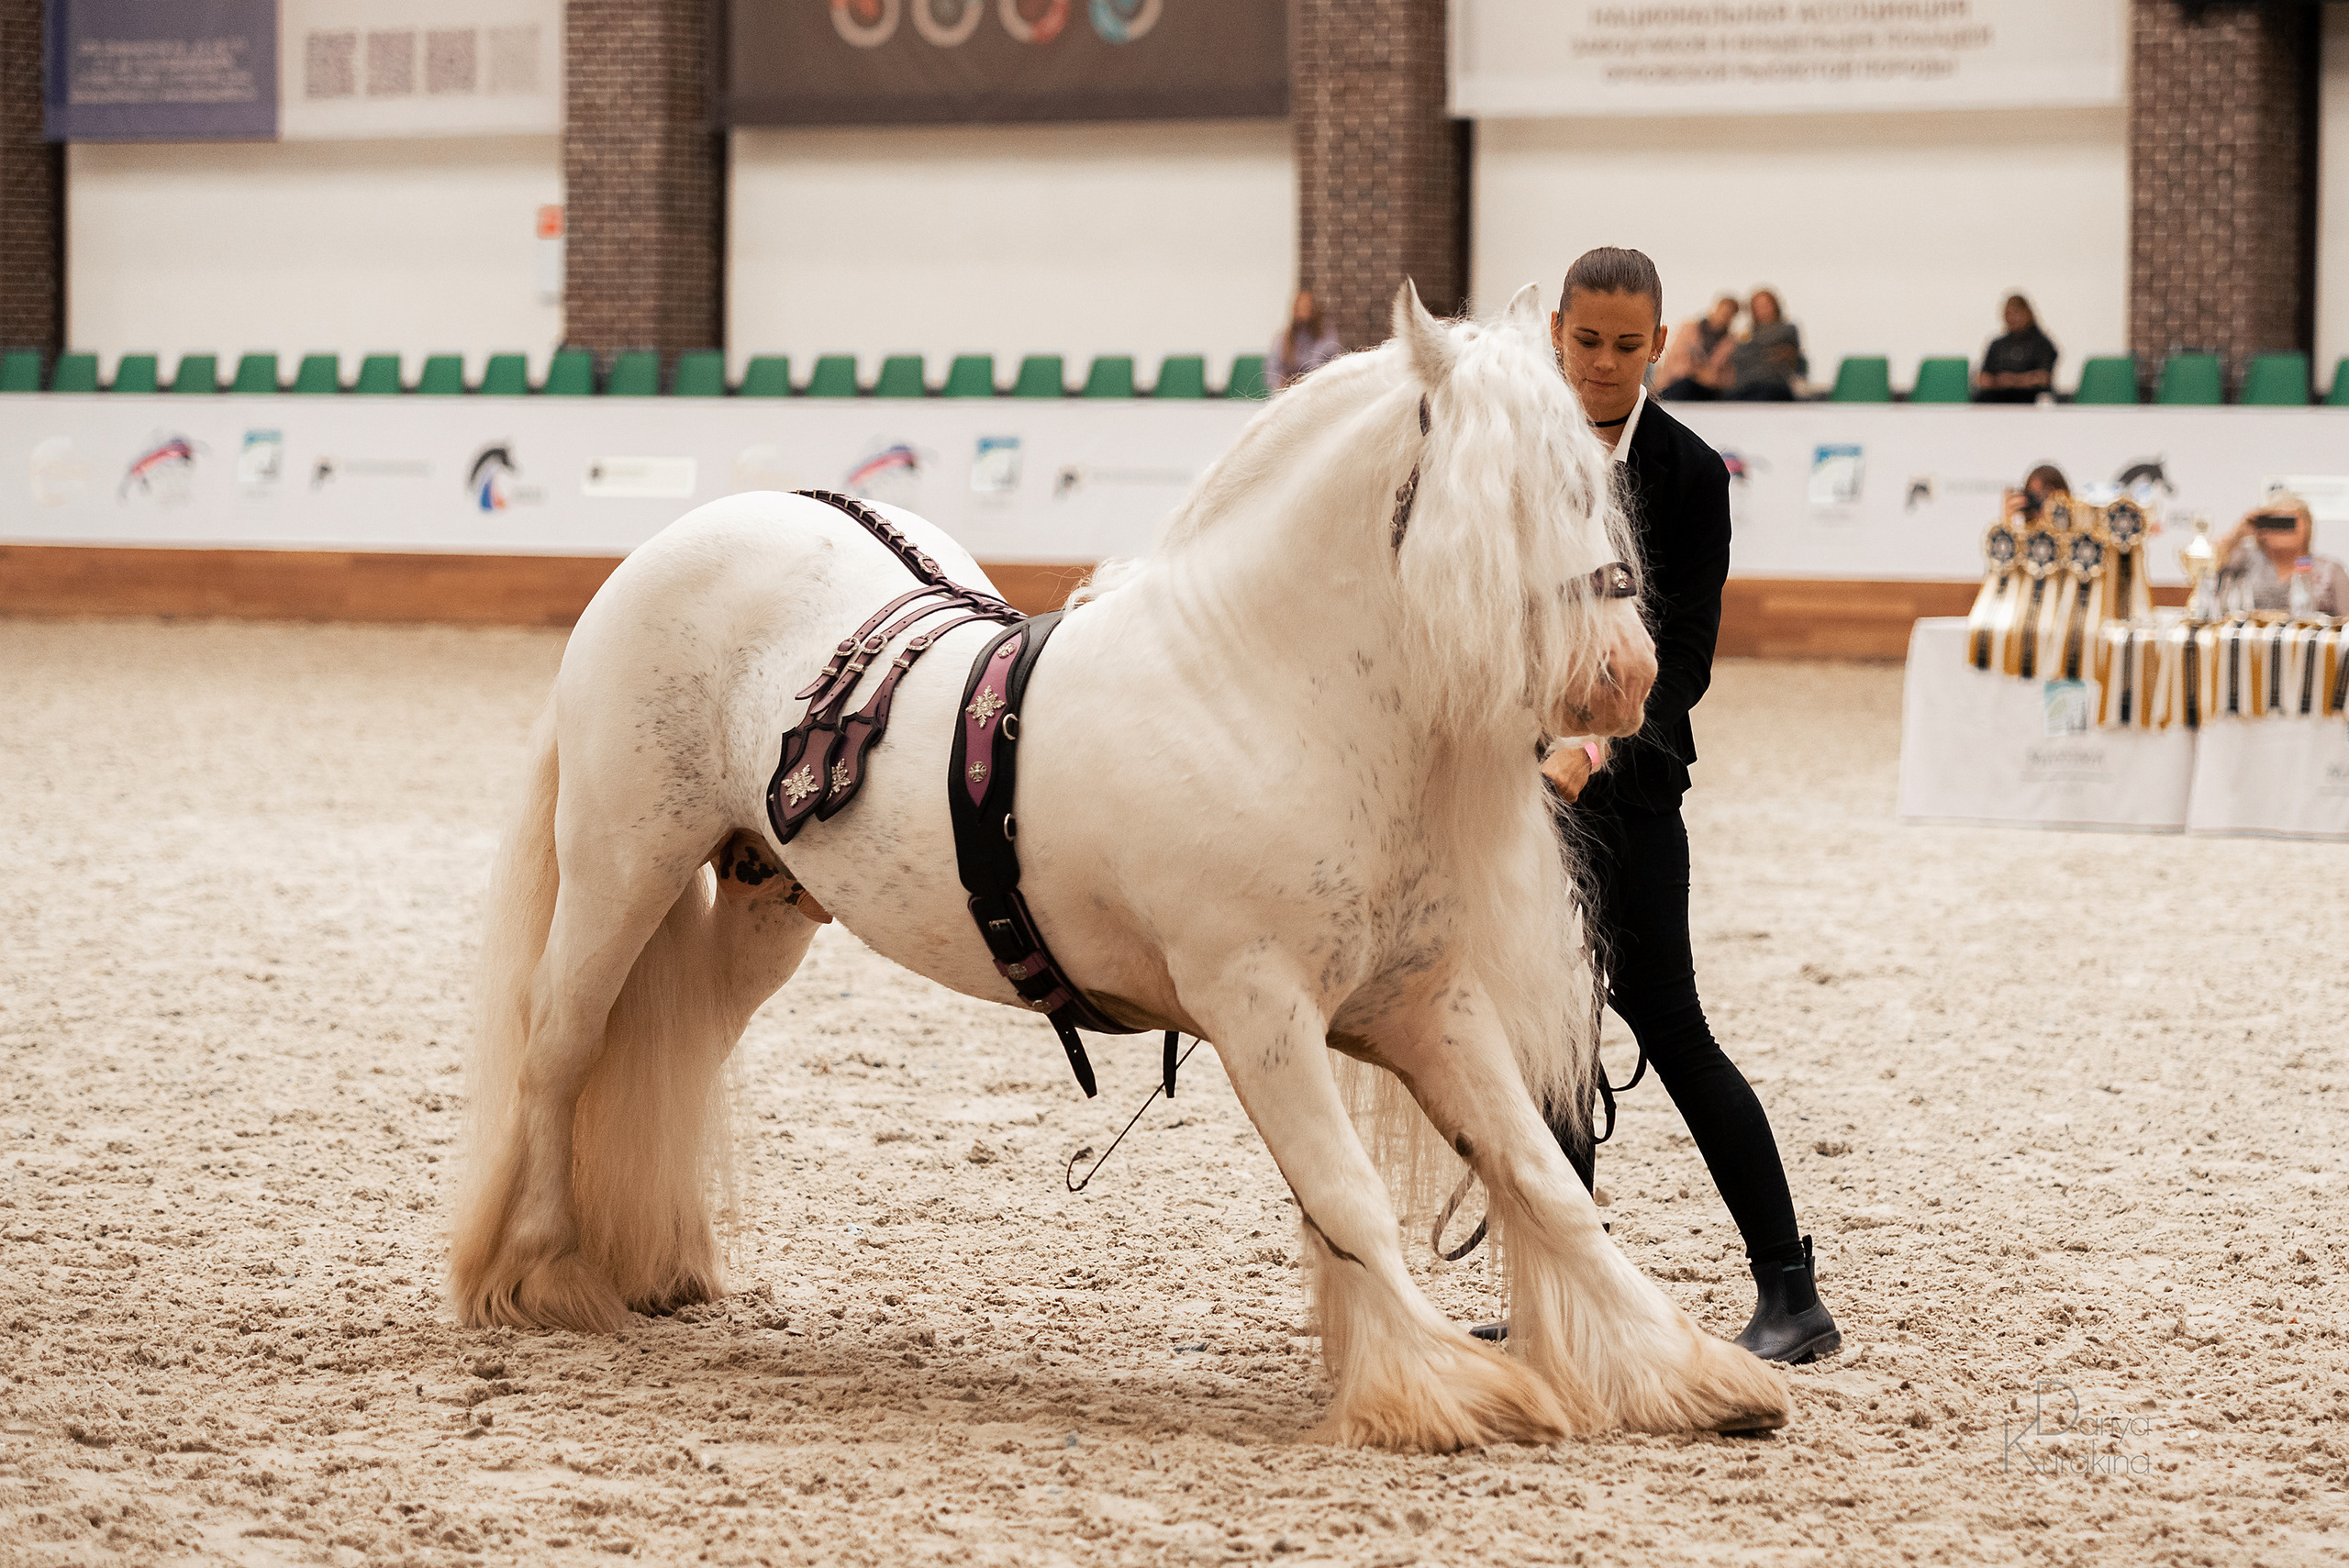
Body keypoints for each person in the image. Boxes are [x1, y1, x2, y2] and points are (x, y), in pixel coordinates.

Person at [1475, 247, 1839, 1364]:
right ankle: (1558, 1290)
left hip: (1626, 795)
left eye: (1627, 347)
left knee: (1669, 1026)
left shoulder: (1687, 474)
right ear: (1556, 339)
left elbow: (1682, 662)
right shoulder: (1514, 460)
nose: (1604, 364)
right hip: (1512, 788)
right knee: (1547, 1042)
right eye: (1586, 343)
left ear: (1660, 345)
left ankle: (1791, 1289)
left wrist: (1591, 747)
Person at [2215, 494, 2349, 616]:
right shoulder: (2246, 561)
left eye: (2288, 521)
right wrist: (2237, 534)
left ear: (2307, 526)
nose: (2280, 528)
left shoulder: (2329, 571)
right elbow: (2207, 571)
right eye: (2274, 521)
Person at [1976, 294, 2058, 404]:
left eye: (2016, 313)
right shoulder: (1997, 345)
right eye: (2008, 314)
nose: (2011, 318)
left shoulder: (2041, 344)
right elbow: (1982, 379)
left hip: (2030, 397)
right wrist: (1998, 382)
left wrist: (2013, 380)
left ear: (2027, 313)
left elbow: (2043, 378)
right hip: (1999, 397)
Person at [1654, 295, 1739, 401]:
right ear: (1716, 309)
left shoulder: (1731, 342)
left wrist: (1710, 377)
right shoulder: (1689, 330)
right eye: (1723, 311)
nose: (1723, 316)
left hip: (1708, 390)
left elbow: (1729, 378)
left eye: (1728, 314)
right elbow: (1673, 358)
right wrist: (1695, 371)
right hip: (1679, 381)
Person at [1725, 288, 1802, 401]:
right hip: (1744, 387)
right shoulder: (1746, 332)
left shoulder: (1787, 329)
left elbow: (1765, 343)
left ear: (1774, 306)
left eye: (1766, 305)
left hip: (1771, 386)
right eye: (1758, 306)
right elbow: (1738, 355)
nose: (1763, 309)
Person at [1266, 288, 1342, 390]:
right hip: (1289, 392)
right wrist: (1280, 389)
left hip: (1319, 390)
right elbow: (1273, 370)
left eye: (1307, 308)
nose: (1303, 312)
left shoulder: (1328, 338)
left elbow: (1335, 368)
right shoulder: (1283, 339)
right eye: (1299, 308)